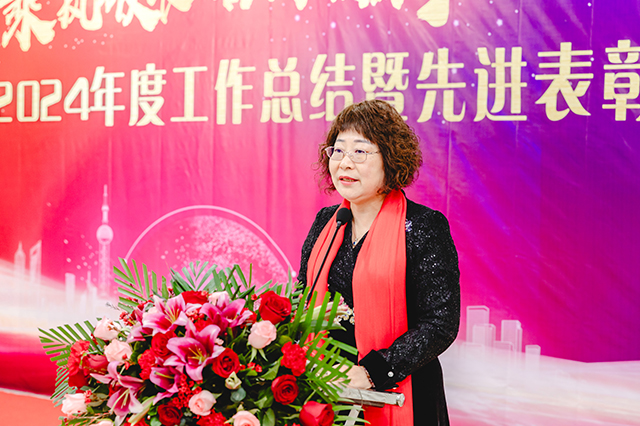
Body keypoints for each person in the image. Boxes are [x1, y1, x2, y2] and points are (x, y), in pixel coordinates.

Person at [298, 100, 460, 426]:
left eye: (360, 152)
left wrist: (373, 371)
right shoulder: (328, 222)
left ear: (390, 158)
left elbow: (440, 323)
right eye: (338, 151)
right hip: (327, 390)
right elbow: (302, 298)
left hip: (400, 392)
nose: (345, 162)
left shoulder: (423, 227)